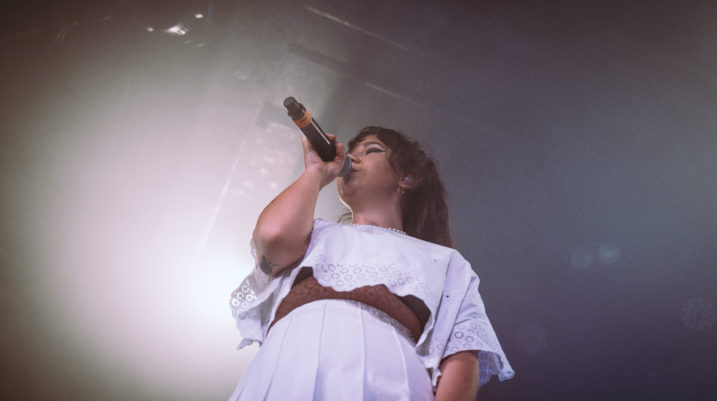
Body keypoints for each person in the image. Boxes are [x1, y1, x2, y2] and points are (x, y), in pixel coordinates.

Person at [229, 126, 514, 400]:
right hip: (283, 373)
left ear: (407, 178)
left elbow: (461, 357)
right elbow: (273, 237)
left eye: (371, 150)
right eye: (351, 152)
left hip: (389, 384)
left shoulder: (444, 260)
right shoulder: (314, 234)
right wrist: (315, 171)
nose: (352, 158)